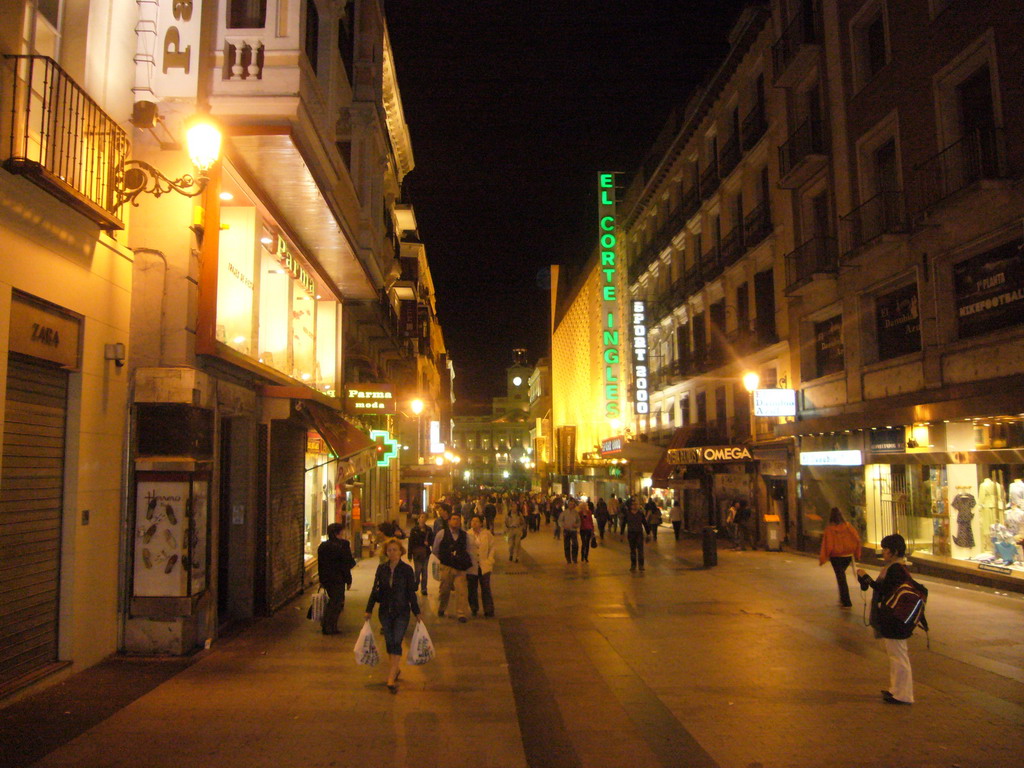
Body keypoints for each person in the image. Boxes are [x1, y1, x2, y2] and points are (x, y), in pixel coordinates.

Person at [856, 534, 923, 705]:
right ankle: (896, 690)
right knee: (896, 655)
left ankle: (903, 695)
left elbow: (883, 589)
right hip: (895, 618)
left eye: (885, 549)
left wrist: (866, 577)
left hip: (895, 618)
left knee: (898, 656)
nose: (883, 552)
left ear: (894, 551)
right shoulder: (895, 567)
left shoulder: (895, 569)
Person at [365, 539, 422, 693]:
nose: (392, 553)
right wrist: (368, 609)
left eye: (395, 550)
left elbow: (411, 592)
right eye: (389, 550)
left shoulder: (406, 570)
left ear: (400, 552)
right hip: (385, 610)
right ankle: (395, 669)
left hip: (402, 610)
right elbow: (375, 589)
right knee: (390, 641)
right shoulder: (381, 569)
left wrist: (416, 612)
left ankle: (391, 678)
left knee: (396, 640)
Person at [317, 523, 356, 635]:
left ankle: (329, 626)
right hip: (338, 578)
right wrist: (349, 580)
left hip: (327, 579)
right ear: (337, 533)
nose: (343, 534)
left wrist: (322, 580)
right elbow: (346, 564)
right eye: (342, 531)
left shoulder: (323, 546)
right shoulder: (343, 545)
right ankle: (329, 626)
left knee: (333, 601)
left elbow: (321, 564)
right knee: (336, 603)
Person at [819, 507, 862, 607]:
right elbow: (857, 540)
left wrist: (823, 558)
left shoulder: (830, 529)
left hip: (836, 556)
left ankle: (846, 600)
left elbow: (828, 545)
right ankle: (844, 599)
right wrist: (857, 554)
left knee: (841, 577)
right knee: (841, 576)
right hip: (847, 556)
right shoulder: (848, 527)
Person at [433, 512, 471, 622]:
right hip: (446, 566)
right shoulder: (442, 533)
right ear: (449, 521)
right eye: (453, 519)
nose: (456, 521)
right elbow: (435, 550)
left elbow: (467, 549)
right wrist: (444, 560)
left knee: (461, 590)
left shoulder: (464, 535)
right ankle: (442, 607)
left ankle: (461, 613)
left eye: (458, 519)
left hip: (460, 566)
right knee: (445, 589)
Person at [466, 515, 495, 617]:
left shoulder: (487, 534)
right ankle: (474, 607)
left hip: (484, 565)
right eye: (472, 521)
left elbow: (492, 547)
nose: (474, 523)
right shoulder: (467, 534)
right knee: (472, 588)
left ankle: (488, 609)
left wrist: (490, 560)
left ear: (481, 523)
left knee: (486, 588)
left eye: (476, 521)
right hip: (471, 566)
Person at [407, 512, 433, 596]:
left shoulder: (429, 530)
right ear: (418, 519)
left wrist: (428, 543)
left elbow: (432, 540)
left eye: (424, 517)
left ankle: (424, 588)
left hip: (425, 552)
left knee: (424, 571)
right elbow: (410, 542)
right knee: (417, 571)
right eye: (421, 517)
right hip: (416, 552)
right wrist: (409, 554)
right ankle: (416, 584)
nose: (422, 519)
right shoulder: (414, 530)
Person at [625, 499, 646, 572]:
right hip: (631, 533)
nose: (635, 505)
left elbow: (644, 523)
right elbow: (624, 523)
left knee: (640, 550)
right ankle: (633, 565)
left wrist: (648, 532)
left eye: (636, 504)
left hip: (639, 533)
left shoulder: (640, 513)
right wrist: (621, 533)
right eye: (634, 504)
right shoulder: (628, 514)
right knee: (633, 550)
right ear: (631, 506)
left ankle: (641, 565)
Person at [558, 499, 581, 564]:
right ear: (568, 505)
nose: (571, 505)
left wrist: (576, 525)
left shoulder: (576, 513)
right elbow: (560, 521)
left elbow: (579, 521)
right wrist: (563, 525)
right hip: (566, 530)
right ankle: (568, 559)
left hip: (573, 530)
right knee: (567, 545)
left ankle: (574, 558)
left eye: (572, 504)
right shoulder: (564, 513)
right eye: (570, 504)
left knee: (575, 545)